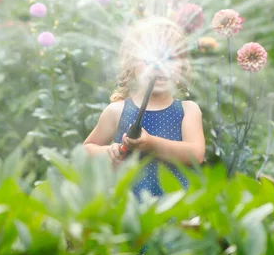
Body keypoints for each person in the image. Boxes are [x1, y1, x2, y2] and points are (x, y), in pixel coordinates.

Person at [83, 16, 205, 199]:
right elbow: (87, 149)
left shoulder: (188, 111)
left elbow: (196, 155)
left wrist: (151, 144)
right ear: (131, 64)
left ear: (182, 67)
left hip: (176, 212)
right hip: (128, 210)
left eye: (170, 58)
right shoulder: (117, 111)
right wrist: (108, 152)